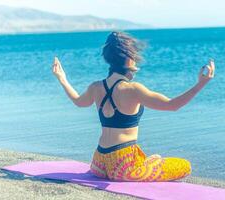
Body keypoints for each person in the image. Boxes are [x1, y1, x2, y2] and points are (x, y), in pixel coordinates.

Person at [52, 31, 215, 182]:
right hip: (124, 167)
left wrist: (62, 79)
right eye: (135, 58)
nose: (136, 62)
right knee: (184, 165)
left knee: (155, 158)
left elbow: (78, 102)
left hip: (99, 164)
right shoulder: (132, 89)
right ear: (129, 59)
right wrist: (200, 84)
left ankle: (151, 161)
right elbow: (172, 105)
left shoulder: (96, 87)